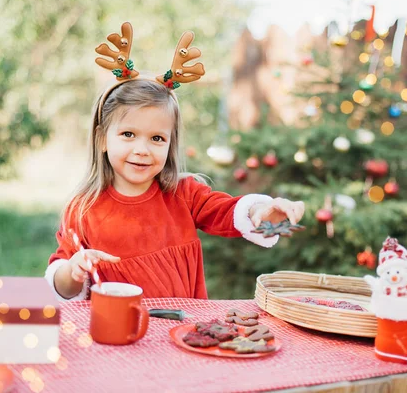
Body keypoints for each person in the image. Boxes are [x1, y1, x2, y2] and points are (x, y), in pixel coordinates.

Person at [45, 22, 305, 300]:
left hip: (181, 332)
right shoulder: (83, 209)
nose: (142, 149)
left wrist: (262, 213)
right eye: (128, 134)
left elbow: (228, 212)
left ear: (170, 144)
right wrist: (72, 271)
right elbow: (62, 282)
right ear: (102, 140)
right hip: (117, 334)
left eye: (157, 138)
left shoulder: (184, 194)